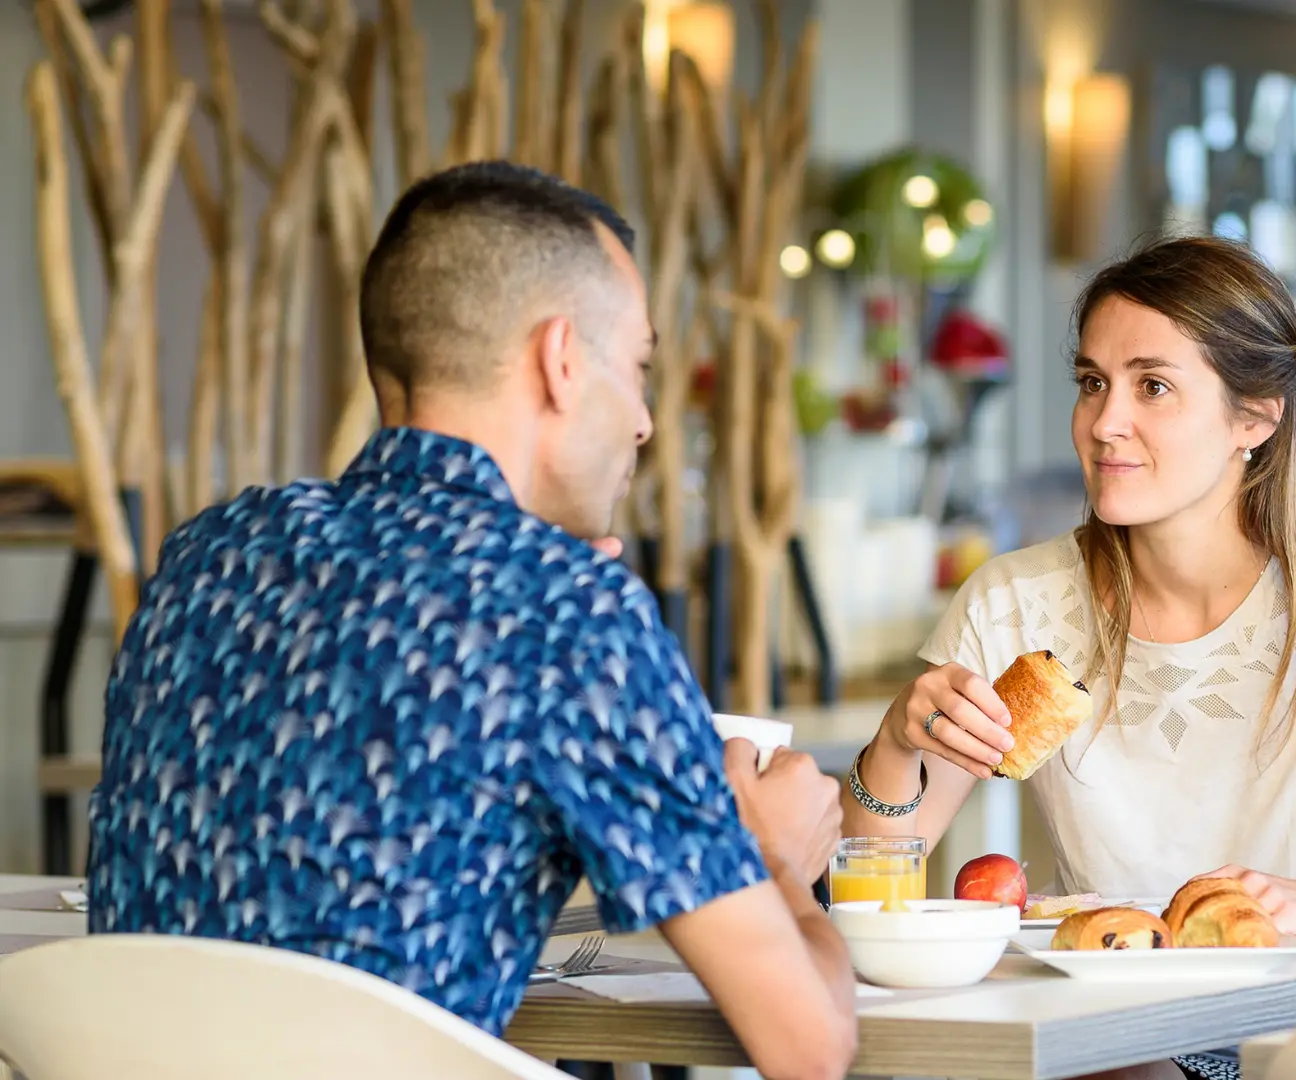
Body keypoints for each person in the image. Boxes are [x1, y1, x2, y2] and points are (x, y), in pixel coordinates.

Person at [87, 162, 856, 1080]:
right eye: (640, 366)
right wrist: (771, 859)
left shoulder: (204, 558)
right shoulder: (565, 609)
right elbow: (808, 1048)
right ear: (561, 358)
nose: (646, 422)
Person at [840, 235, 1296, 1080]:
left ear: (1254, 418)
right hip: (1119, 1043)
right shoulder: (1014, 602)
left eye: (1152, 386)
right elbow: (867, 887)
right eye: (1091, 383)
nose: (1105, 422)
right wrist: (897, 746)